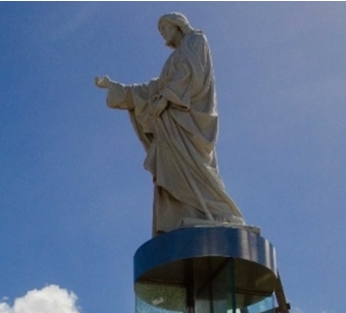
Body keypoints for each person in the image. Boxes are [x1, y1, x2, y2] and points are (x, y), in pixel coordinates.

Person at [95, 12, 246, 236]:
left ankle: (216, 212)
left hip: (189, 122)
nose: (163, 34)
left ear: (178, 26)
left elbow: (191, 75)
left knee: (196, 169)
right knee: (174, 171)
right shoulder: (172, 60)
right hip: (170, 127)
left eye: (165, 28)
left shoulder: (196, 40)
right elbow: (154, 87)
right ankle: (183, 216)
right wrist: (119, 89)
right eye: (160, 31)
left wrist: (166, 98)